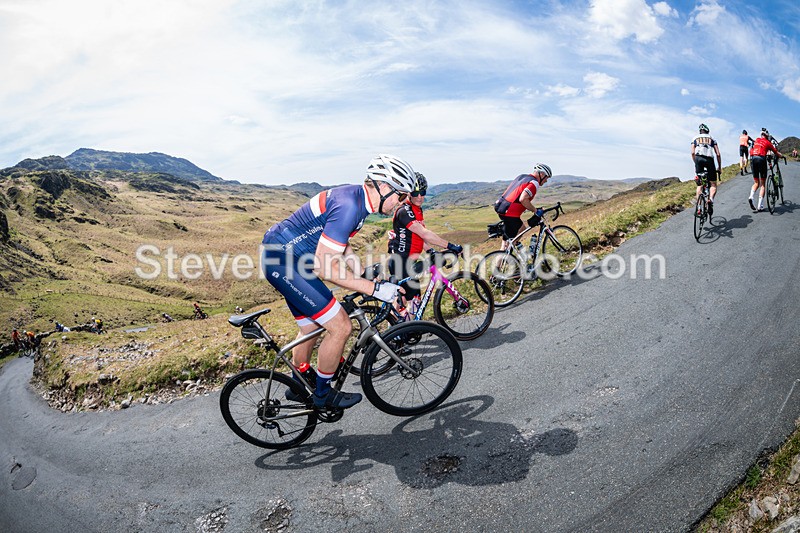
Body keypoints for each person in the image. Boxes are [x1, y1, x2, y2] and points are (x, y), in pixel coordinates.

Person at [261, 154, 416, 409]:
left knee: (311, 328)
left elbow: (342, 247)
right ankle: (323, 394)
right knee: (340, 326)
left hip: (286, 258)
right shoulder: (349, 207)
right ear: (384, 187)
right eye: (401, 196)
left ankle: (298, 382)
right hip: (286, 264)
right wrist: (377, 289)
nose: (402, 204)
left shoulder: (357, 201)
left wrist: (362, 272)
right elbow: (326, 267)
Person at [387, 172, 463, 315]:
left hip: (407, 262)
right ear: (409, 192)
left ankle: (399, 331)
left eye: (423, 192)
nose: (420, 197)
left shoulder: (416, 209)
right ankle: (397, 332)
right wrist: (451, 246)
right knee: (410, 302)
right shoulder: (405, 211)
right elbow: (424, 233)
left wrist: (430, 250)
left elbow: (416, 238)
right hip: (401, 263)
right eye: (416, 193)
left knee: (406, 301)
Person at [494, 163, 553, 248]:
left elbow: (515, 195)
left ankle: (508, 254)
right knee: (509, 244)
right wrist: (536, 211)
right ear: (542, 174)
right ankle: (508, 255)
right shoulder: (534, 183)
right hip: (510, 213)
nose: (546, 181)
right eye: (546, 177)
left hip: (502, 208)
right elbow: (523, 199)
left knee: (508, 240)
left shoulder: (522, 177)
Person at [691, 124, 722, 215]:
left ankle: (699, 208)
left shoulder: (695, 138)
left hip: (698, 158)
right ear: (707, 131)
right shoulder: (712, 139)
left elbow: (692, 152)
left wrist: (695, 162)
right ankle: (711, 200)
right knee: (713, 184)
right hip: (709, 159)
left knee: (699, 184)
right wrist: (719, 167)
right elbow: (718, 154)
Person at [749, 130, 782, 212]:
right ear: (767, 136)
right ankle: (760, 206)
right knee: (763, 184)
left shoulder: (756, 140)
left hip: (753, 159)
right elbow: (776, 152)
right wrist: (781, 156)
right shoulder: (768, 142)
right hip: (761, 159)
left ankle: (751, 197)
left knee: (756, 182)